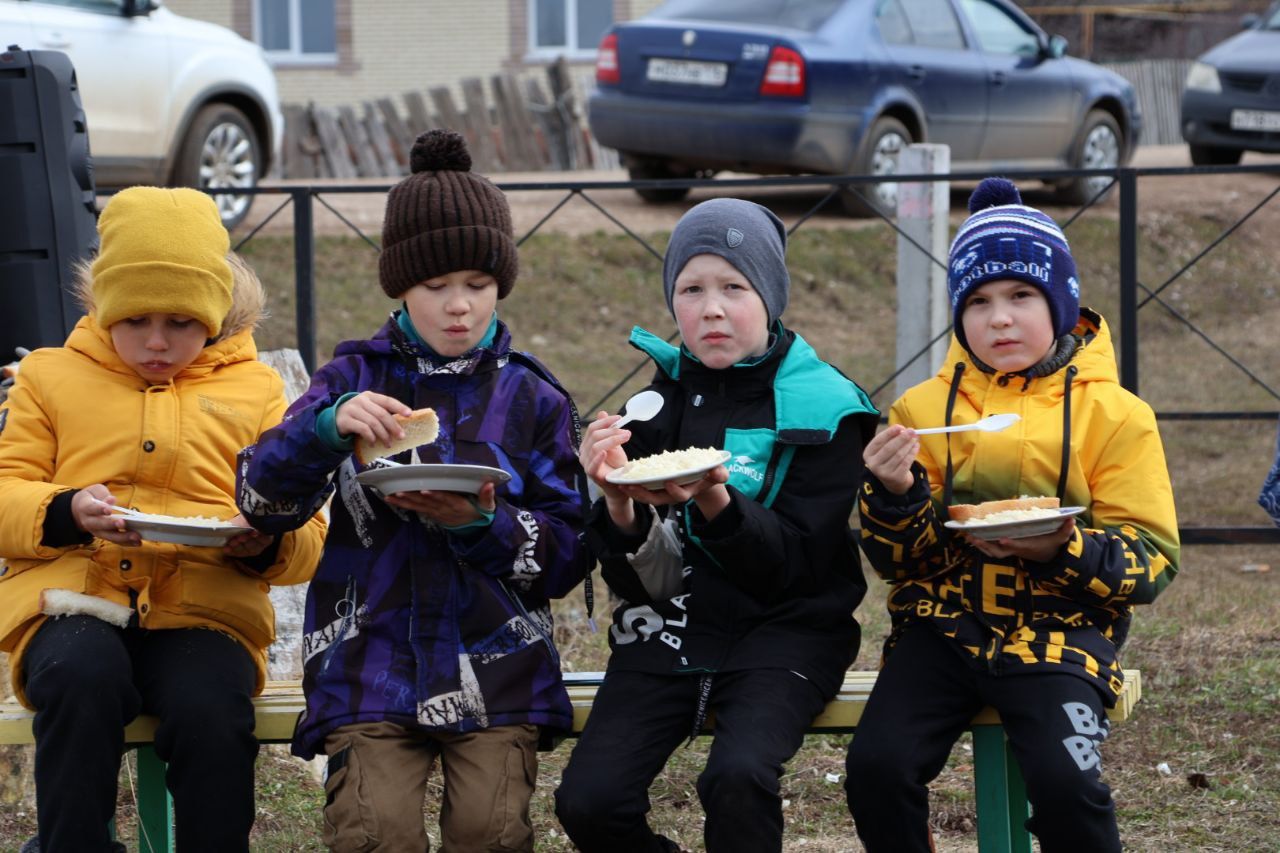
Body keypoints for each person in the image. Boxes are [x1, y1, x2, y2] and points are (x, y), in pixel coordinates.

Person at [235, 129, 591, 853]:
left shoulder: (532, 396)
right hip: (368, 664)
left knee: (489, 832)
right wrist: (326, 431)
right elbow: (260, 499)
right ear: (399, 283)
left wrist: (481, 523)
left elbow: (569, 554)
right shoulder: (349, 381)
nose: (459, 306)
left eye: (479, 285)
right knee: (374, 833)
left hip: (500, 672)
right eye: (436, 286)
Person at [844, 177, 1181, 852]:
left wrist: (1059, 548)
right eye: (978, 301)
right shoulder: (921, 412)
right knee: (875, 767)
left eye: (1022, 296)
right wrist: (892, 491)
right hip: (939, 631)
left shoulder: (1115, 415)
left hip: (1061, 636)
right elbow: (898, 559)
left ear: (1062, 301)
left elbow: (1151, 560)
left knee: (1067, 786)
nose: (999, 318)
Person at [0, 186, 327, 853]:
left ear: (214, 312)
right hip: (73, 602)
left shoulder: (255, 389)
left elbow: (308, 534)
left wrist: (264, 539)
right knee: (78, 678)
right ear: (104, 306)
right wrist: (67, 511)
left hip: (207, 609)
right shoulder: (49, 375)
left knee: (210, 708)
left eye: (180, 322)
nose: (156, 341)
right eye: (136, 319)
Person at [554, 197, 880, 853]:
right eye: (691, 288)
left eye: (735, 287)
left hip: (787, 633)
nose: (711, 308)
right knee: (587, 801)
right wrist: (615, 499)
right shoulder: (651, 406)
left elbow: (792, 567)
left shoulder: (826, 408)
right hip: (667, 628)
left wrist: (714, 498)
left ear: (771, 296)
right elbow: (641, 582)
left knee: (734, 777)